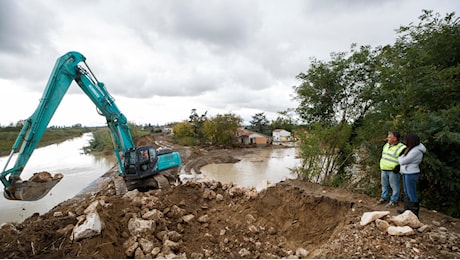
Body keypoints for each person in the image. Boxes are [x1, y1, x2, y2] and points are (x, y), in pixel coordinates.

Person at [397, 133, 426, 218]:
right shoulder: (411, 148)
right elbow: (403, 158)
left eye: (405, 140)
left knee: (411, 193)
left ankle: (414, 214)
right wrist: (401, 158)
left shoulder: (416, 151)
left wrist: (400, 158)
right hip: (406, 172)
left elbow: (402, 160)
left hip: (411, 173)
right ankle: (407, 211)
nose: (404, 142)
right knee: (406, 192)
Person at [377, 131, 406, 208]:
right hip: (384, 168)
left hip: (393, 170)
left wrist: (398, 167)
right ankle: (384, 197)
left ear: (395, 138)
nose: (388, 138)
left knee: (394, 186)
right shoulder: (386, 145)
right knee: (384, 185)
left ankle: (394, 201)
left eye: (390, 137)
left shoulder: (401, 147)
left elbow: (405, 159)